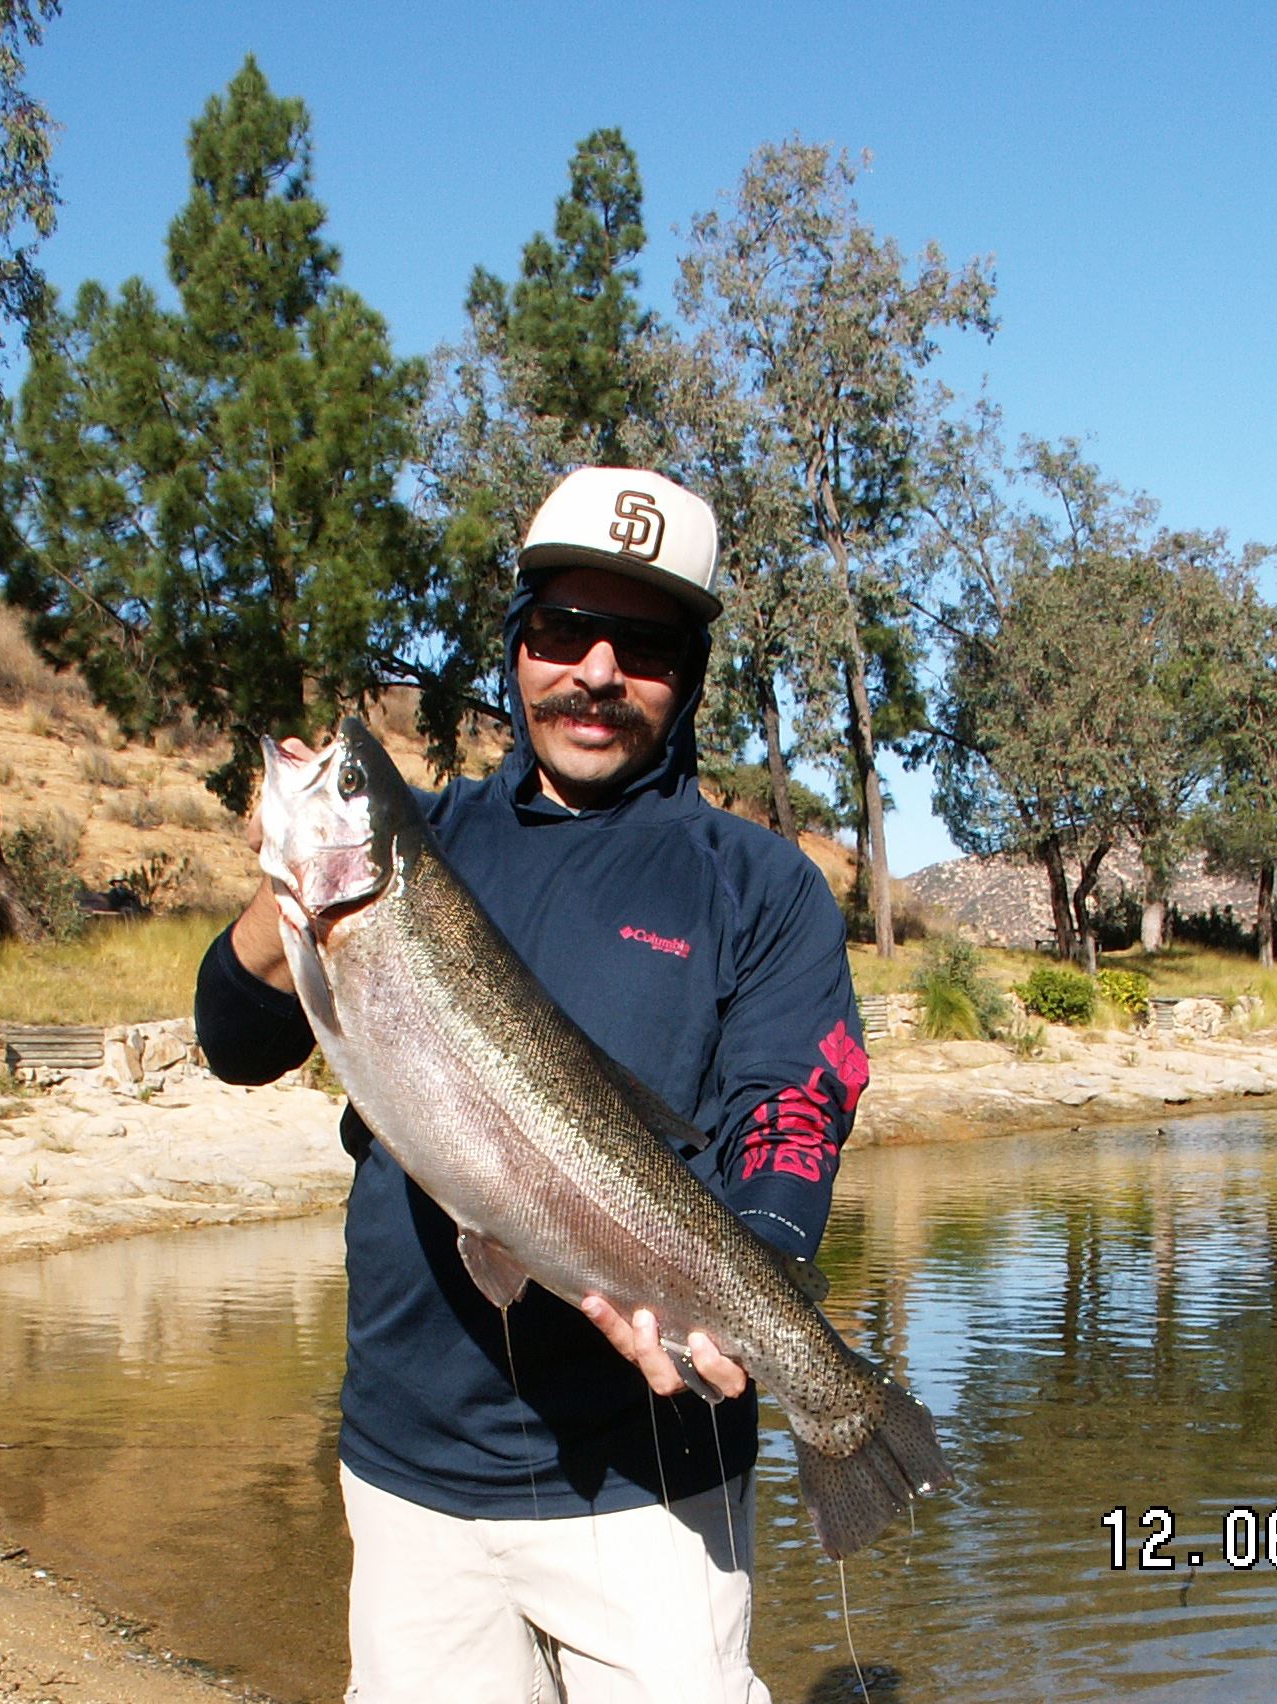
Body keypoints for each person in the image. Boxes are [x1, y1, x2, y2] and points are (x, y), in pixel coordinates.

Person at [194, 466, 868, 1703]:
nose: (597, 673)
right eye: (563, 631)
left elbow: (793, 1104)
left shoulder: (760, 885)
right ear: (516, 647)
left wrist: (758, 1280)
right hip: (409, 1475)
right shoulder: (426, 844)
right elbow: (235, 1043)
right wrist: (289, 886)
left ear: (691, 674)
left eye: (645, 645)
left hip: (652, 1481)